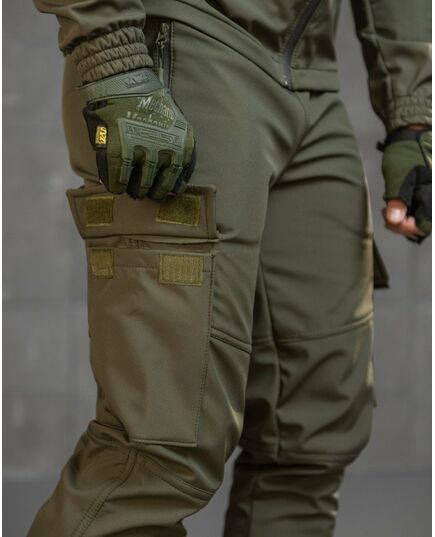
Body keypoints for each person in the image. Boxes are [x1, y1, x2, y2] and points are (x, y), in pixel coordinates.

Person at [29, 1, 431, 536]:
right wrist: (112, 54)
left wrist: (412, 116)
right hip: (190, 42)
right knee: (160, 446)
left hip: (312, 75)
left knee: (311, 433)